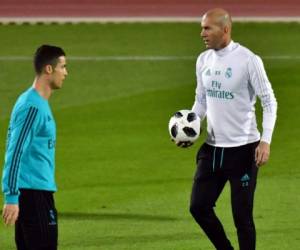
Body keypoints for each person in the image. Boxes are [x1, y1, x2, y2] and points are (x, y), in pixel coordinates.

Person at [179, 8, 277, 250]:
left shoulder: (248, 60)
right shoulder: (203, 60)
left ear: (225, 29)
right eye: (201, 27)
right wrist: (191, 124)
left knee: (242, 218)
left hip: (244, 151)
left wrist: (265, 140)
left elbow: (269, 101)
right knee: (198, 207)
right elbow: (201, 100)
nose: (202, 33)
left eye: (207, 28)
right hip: (212, 150)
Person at [2, 44, 67, 250]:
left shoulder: (35, 103)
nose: (66, 72)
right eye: (63, 66)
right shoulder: (32, 106)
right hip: (32, 195)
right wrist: (11, 197)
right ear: (49, 69)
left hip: (36, 192)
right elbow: (14, 150)